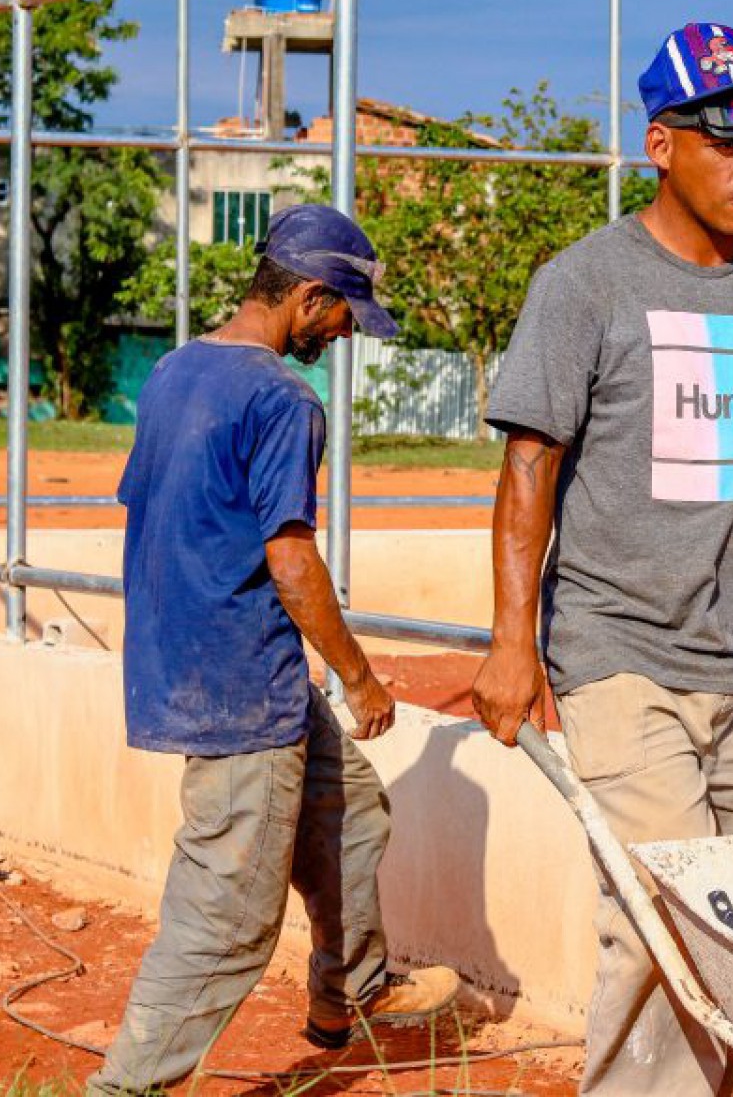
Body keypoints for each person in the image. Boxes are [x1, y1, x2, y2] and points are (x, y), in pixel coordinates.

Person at [470, 21, 733, 1096]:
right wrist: (512, 642)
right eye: (727, 143)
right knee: (666, 917)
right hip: (621, 653)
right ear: (661, 145)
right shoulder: (586, 283)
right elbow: (531, 468)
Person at [88, 205, 458, 1095]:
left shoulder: (176, 370)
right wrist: (360, 676)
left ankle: (348, 992)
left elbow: (155, 518)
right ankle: (126, 1087)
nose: (341, 338)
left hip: (205, 664)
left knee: (352, 814)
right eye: (342, 319)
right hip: (241, 684)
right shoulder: (284, 398)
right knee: (228, 916)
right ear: (308, 297)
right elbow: (290, 561)